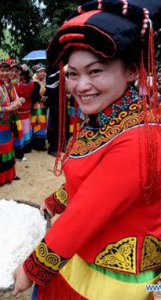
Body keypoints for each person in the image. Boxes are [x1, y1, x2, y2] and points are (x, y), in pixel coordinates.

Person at [13, 1, 161, 299]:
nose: (81, 86)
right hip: (82, 252)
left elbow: (86, 212)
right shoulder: (106, 116)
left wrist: (32, 268)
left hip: (114, 278)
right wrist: (56, 201)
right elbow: (93, 181)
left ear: (132, 70)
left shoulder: (139, 137)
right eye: (72, 74)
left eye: (95, 71)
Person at [0, 60, 22, 185]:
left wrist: (13, 104)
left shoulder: (3, 86)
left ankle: (9, 176)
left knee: (8, 148)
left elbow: (5, 104)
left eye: (7, 70)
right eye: (2, 70)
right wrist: (9, 108)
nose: (5, 73)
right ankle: (1, 178)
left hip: (6, 124)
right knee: (1, 149)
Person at [13, 64, 34, 159]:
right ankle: (27, 147)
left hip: (19, 109)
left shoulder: (16, 85)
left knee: (20, 129)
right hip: (27, 109)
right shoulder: (31, 84)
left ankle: (19, 147)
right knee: (26, 128)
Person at [31, 63, 47, 150]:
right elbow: (34, 95)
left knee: (41, 123)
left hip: (41, 105)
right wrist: (41, 98)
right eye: (41, 71)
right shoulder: (34, 82)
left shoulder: (40, 81)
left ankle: (40, 143)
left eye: (44, 71)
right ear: (36, 73)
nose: (43, 73)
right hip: (37, 106)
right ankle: (37, 144)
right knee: (37, 123)